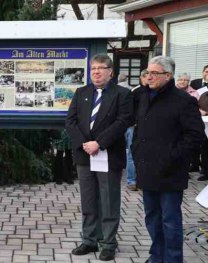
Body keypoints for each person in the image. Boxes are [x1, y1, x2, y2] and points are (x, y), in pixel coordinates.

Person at [132, 56, 204, 263]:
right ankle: (157, 256)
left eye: (154, 73)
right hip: (147, 170)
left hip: (170, 173)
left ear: (168, 75)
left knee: (170, 222)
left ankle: (172, 260)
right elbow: (140, 130)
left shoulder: (184, 101)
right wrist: (136, 150)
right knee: (152, 219)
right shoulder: (144, 96)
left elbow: (195, 136)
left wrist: (172, 157)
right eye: (147, 72)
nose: (149, 77)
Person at [65, 54, 133, 261]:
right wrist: (85, 144)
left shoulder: (122, 94)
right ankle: (89, 240)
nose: (96, 71)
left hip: (108, 154)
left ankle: (108, 243)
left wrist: (99, 143)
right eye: (93, 68)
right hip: (85, 155)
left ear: (110, 72)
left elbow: (123, 121)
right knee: (88, 200)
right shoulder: (81, 92)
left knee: (108, 200)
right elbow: (71, 120)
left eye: (101, 68)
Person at [126, 69, 148, 191]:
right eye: (145, 76)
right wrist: (133, 123)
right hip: (134, 127)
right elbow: (129, 110)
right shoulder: (135, 92)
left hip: (150, 128)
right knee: (131, 153)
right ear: (141, 78)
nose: (147, 78)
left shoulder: (155, 92)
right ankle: (131, 180)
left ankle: (144, 179)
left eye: (149, 75)